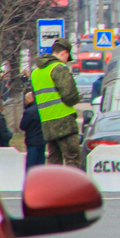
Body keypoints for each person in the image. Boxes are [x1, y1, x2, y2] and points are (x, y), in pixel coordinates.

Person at [31, 38, 82, 167]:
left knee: (54, 161)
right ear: (64, 53)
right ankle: (73, 187)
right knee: (72, 158)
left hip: (47, 123)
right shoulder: (59, 68)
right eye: (67, 57)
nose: (67, 61)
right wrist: (77, 97)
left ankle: (53, 187)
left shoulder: (36, 73)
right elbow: (70, 96)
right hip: (64, 121)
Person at [19, 91, 46, 169]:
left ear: (31, 99)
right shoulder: (42, 110)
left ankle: (30, 179)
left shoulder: (29, 112)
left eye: (26, 99)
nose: (25, 101)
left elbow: (22, 126)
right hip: (42, 140)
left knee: (31, 164)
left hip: (32, 141)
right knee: (40, 165)